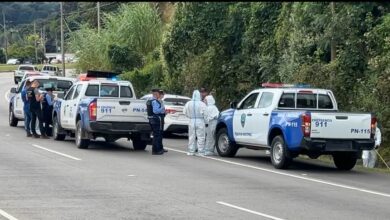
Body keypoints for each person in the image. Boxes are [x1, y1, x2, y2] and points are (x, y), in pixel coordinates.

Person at [183, 90, 207, 156]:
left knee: (191, 136)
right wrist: (206, 121)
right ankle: (201, 152)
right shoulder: (202, 104)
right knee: (201, 137)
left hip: (191, 121)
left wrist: (190, 116)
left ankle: (191, 151)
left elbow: (184, 112)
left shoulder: (188, 103)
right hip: (200, 121)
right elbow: (205, 113)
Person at [146, 89, 165, 155]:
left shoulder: (149, 100)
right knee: (157, 134)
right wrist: (162, 108)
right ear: (156, 94)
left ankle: (157, 149)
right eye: (158, 94)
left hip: (151, 119)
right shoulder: (155, 101)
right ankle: (155, 150)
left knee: (155, 134)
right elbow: (156, 111)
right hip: (156, 119)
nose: (159, 95)